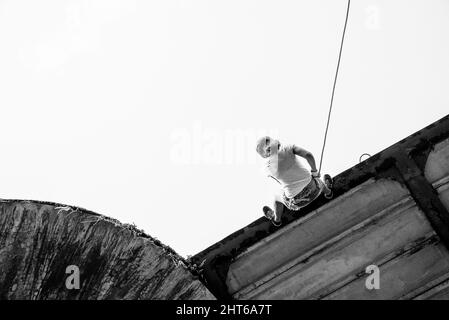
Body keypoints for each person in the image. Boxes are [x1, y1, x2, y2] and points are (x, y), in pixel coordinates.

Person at [256, 136, 333, 227]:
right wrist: (314, 172)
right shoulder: (288, 148)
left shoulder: (266, 168)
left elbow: (282, 181)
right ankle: (328, 192)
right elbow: (309, 155)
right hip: (315, 190)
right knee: (315, 179)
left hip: (297, 202)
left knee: (277, 196)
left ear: (263, 154)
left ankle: (276, 219)